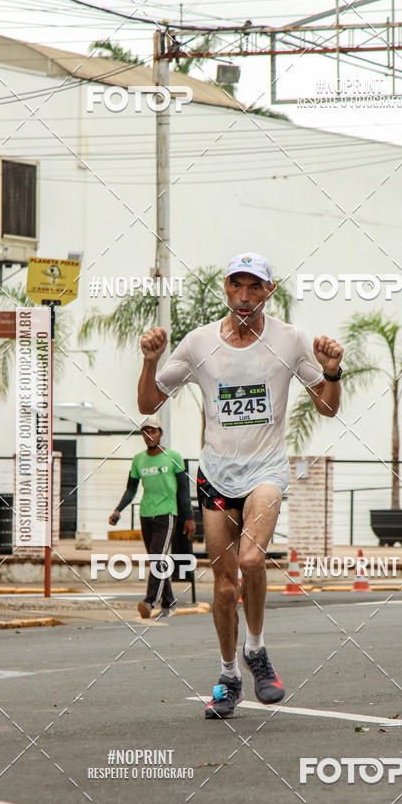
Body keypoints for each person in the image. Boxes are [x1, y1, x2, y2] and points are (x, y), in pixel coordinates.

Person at [137, 252, 343, 717]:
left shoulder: (290, 341)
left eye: (255, 287)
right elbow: (150, 400)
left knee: (252, 558)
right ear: (226, 289)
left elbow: (327, 408)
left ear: (270, 291)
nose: (246, 296)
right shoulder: (199, 342)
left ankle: (257, 649)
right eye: (237, 287)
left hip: (265, 471)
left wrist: (331, 372)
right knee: (224, 587)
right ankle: (229, 675)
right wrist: (150, 362)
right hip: (215, 477)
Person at [109, 415, 195, 618]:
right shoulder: (139, 460)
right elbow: (131, 489)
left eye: (153, 431)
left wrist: (189, 518)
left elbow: (183, 491)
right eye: (145, 432)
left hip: (167, 514)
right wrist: (118, 509)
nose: (149, 435)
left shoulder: (174, 457)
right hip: (146, 514)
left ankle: (150, 602)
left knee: (158, 556)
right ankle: (169, 601)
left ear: (160, 433)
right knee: (158, 559)